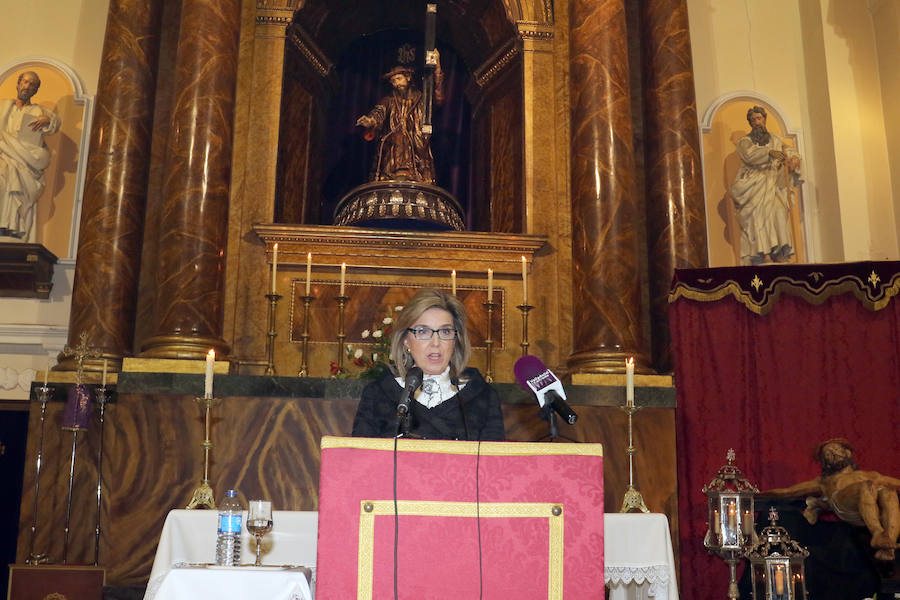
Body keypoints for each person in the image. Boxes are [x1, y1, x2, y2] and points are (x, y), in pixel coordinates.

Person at [352, 288, 505, 441]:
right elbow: (360, 460)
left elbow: (494, 461)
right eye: (423, 331)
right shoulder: (378, 394)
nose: (436, 343)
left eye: (445, 332)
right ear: (406, 340)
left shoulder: (483, 395)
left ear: (456, 340)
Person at [764, 438, 900, 561]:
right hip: (843, 502)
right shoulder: (825, 481)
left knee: (889, 492)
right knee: (866, 486)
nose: (833, 454)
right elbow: (788, 492)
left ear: (847, 453)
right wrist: (756, 495)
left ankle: (888, 544)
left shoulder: (869, 475)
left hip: (869, 505)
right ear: (825, 463)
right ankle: (877, 532)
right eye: (828, 454)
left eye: (836, 449)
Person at [355, 51, 443, 184]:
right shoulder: (389, 100)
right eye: (393, 81)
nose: (396, 83)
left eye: (399, 79)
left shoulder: (421, 98)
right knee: (397, 141)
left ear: (408, 78)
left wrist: (437, 69)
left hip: (416, 143)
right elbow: (379, 111)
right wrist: (371, 121)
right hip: (394, 146)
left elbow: (437, 99)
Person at [729, 105, 801, 265]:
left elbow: (788, 151)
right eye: (753, 120)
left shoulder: (775, 139)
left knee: (778, 213)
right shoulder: (744, 142)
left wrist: (794, 158)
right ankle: (763, 253)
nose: (756, 122)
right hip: (754, 185)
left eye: (759, 118)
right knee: (758, 216)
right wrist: (768, 153)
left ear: (764, 119)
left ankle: (780, 252)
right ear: (750, 123)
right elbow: (749, 155)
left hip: (772, 184)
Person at [0, 71, 61, 241]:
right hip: (3, 155)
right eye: (25, 82)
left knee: (17, 187)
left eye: (32, 84)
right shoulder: (4, 107)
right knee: (3, 182)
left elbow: (55, 123)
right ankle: (3, 227)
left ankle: (14, 228)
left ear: (36, 89)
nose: (27, 87)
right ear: (18, 84)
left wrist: (47, 120)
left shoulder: (39, 111)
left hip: (26, 161)